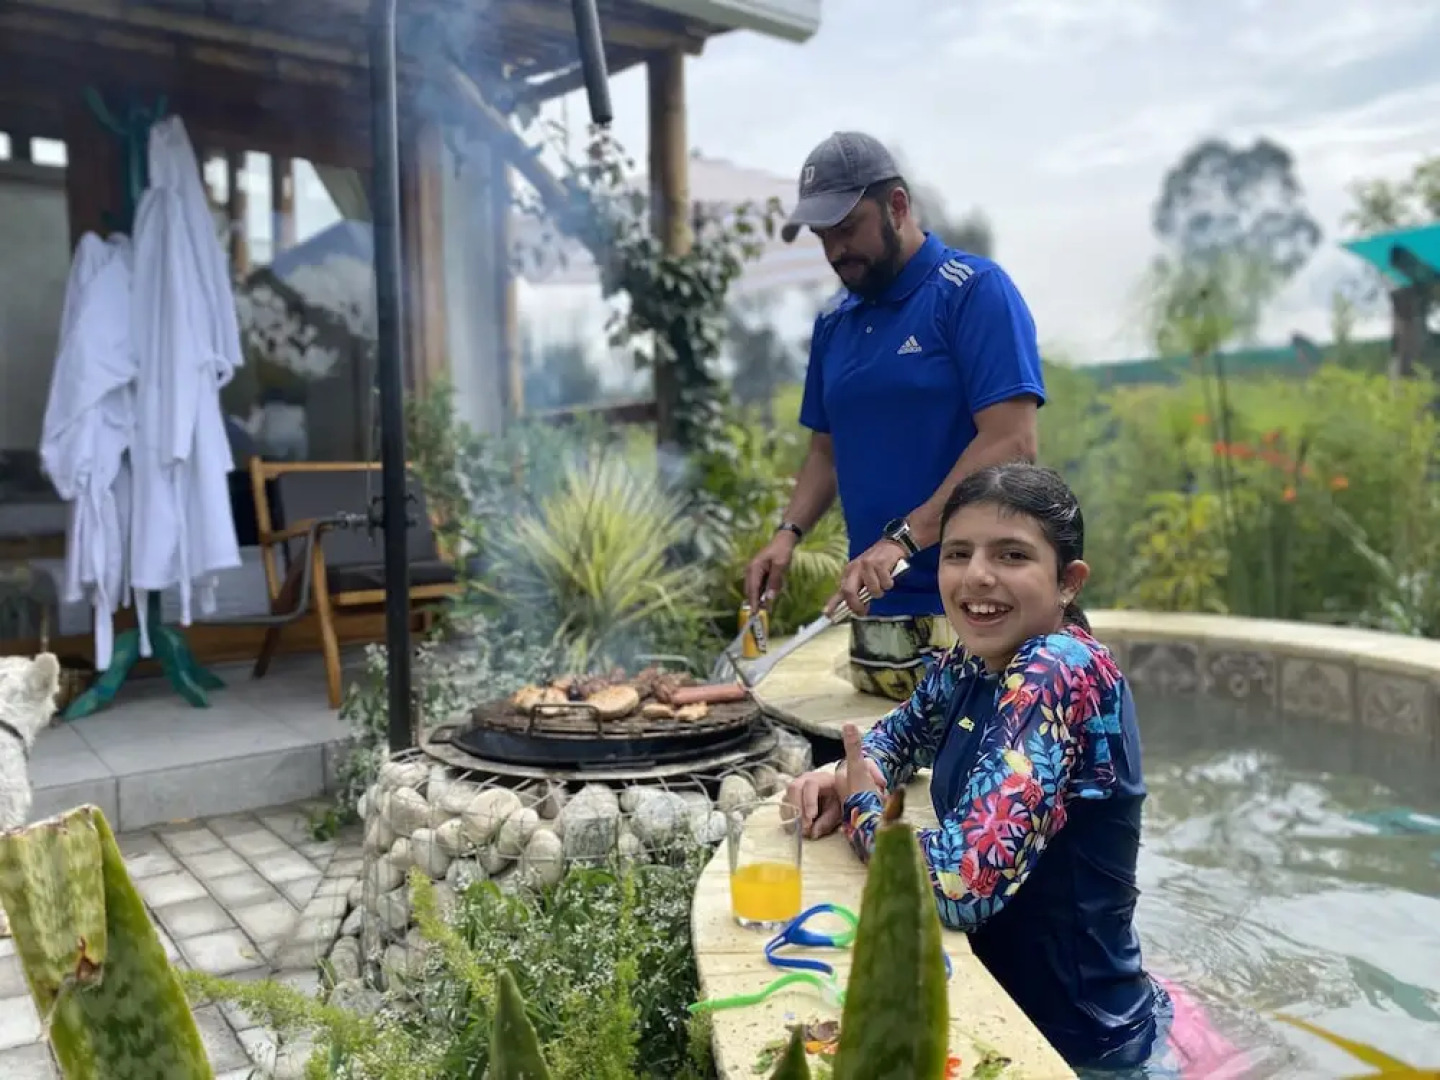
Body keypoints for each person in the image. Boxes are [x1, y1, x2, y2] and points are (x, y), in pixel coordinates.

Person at [783, 463, 1238, 1077]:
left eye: (1012, 555)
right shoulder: (971, 661)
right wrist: (845, 770)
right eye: (959, 553)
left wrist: (864, 809)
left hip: (1083, 1050)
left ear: (1068, 581)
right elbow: (896, 736)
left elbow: (960, 885)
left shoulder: (1056, 669)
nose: (977, 576)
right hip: (1022, 1014)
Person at [745, 131, 1046, 702]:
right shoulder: (833, 324)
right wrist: (787, 535)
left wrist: (903, 541)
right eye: (822, 236)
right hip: (878, 618)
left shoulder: (973, 292)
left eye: (847, 228)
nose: (834, 251)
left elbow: (1012, 440)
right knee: (878, 780)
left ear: (898, 207)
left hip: (979, 607)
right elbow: (826, 450)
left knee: (983, 783)